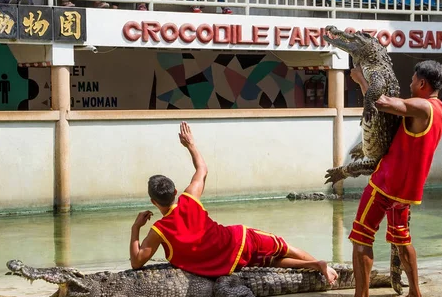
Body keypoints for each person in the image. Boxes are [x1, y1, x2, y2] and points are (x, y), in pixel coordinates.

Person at [130, 122, 338, 285]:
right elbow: (202, 169)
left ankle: (316, 266)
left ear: (153, 202)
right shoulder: (189, 199)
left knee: (272, 262)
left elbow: (137, 262)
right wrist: (190, 144)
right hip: (240, 240)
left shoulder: (158, 230)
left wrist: (136, 228)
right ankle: (320, 265)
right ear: (175, 192)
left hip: (228, 263)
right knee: (284, 248)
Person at [329, 60, 442, 297]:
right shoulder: (441, 109)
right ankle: (415, 296)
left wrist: (361, 79)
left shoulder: (421, 106)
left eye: (413, 80)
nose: (410, 83)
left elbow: (381, 102)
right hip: (408, 191)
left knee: (360, 236)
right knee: (402, 240)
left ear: (422, 83)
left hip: (387, 183)